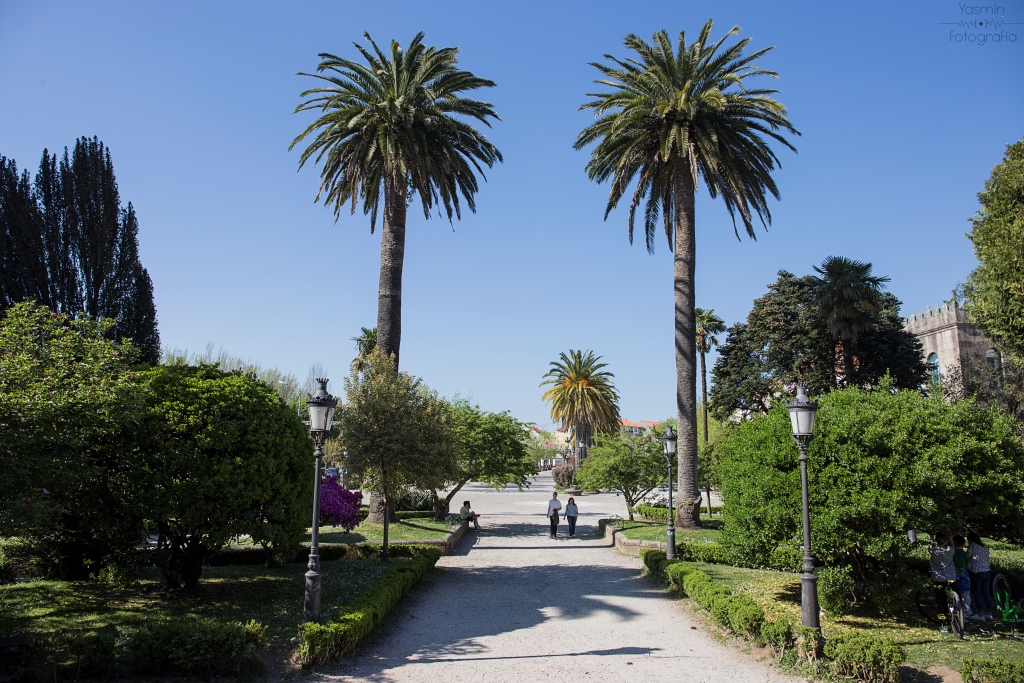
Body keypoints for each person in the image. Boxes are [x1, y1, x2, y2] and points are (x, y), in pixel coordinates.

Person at [929, 532, 956, 630]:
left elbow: (931, 546)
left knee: (940, 601)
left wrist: (931, 539)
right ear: (946, 541)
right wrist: (950, 538)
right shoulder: (950, 550)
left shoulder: (933, 550)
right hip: (951, 576)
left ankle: (943, 622)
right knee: (955, 594)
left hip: (938, 578)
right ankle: (957, 612)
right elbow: (952, 545)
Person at [967, 531, 993, 620]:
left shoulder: (972, 545)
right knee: (986, 592)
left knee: (977, 593)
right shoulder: (985, 547)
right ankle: (989, 612)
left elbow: (968, 557)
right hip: (987, 571)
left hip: (976, 571)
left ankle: (980, 612)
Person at [952, 534, 976, 618]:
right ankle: (967, 612)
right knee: (966, 596)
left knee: (954, 594)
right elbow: (969, 566)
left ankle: (954, 610)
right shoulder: (965, 554)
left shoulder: (952, 553)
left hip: (953, 575)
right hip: (964, 576)